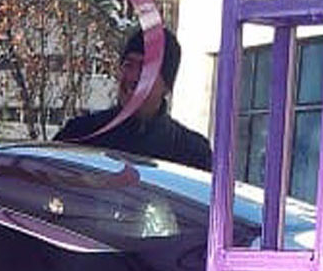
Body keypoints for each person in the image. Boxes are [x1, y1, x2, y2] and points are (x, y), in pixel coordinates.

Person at [57, 27, 213, 171]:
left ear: (167, 85)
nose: (133, 77)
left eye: (146, 68)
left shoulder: (193, 154)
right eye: (128, 65)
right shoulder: (81, 135)